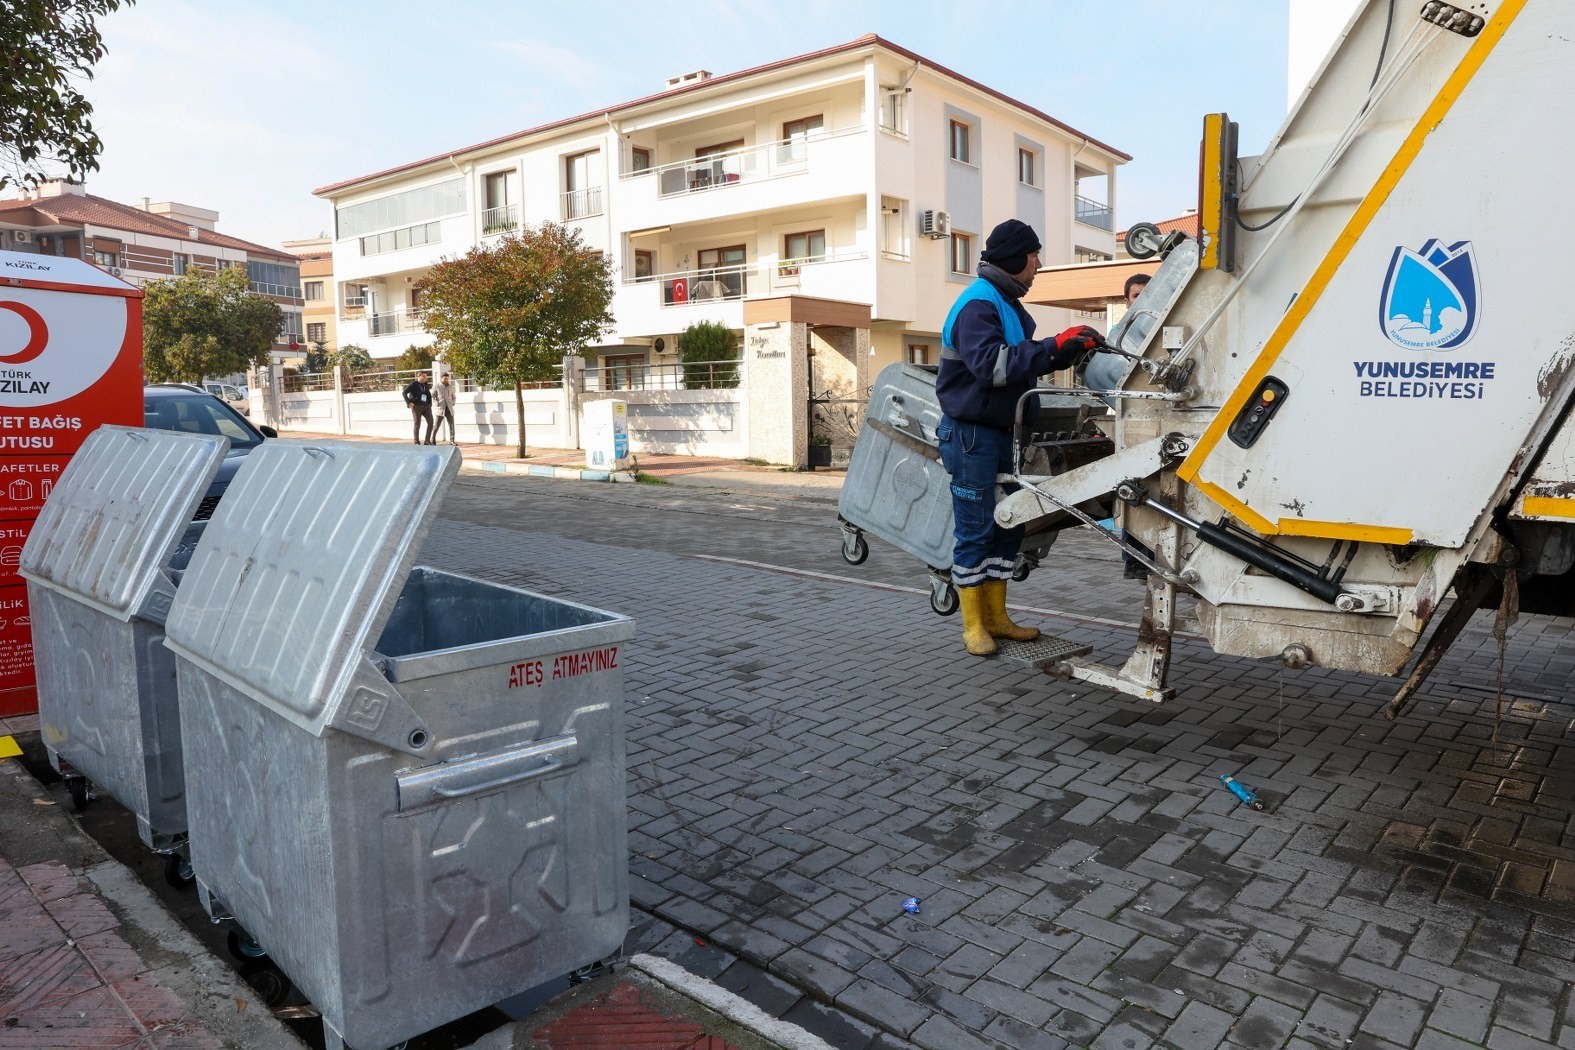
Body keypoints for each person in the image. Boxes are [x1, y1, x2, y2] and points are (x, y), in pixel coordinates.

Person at [937, 218, 1105, 656]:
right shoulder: (979, 304)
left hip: (1003, 432)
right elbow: (992, 366)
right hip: (973, 434)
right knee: (975, 529)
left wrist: (1062, 349)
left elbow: (1018, 364)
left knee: (1008, 523)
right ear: (1015, 258)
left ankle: (997, 617)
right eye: (1034, 258)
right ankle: (973, 625)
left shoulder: (1007, 304)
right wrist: (1053, 347)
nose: (1038, 266)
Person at [403, 369, 435, 445]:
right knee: (417, 423)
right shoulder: (413, 384)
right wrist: (409, 402)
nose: (425, 378)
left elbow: (428, 394)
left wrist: (430, 404)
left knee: (431, 422)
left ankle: (427, 440)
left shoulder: (425, 384)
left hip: (426, 406)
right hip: (416, 407)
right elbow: (404, 393)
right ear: (419, 376)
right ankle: (416, 441)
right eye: (423, 376)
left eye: (426, 376)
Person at [432, 372, 458, 445]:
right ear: (441, 378)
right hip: (440, 408)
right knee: (437, 425)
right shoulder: (436, 386)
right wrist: (436, 403)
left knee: (451, 425)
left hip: (449, 408)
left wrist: (453, 402)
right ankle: (432, 439)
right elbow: (432, 396)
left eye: (447, 378)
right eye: (445, 378)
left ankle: (452, 441)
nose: (446, 380)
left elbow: (454, 396)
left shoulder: (450, 387)